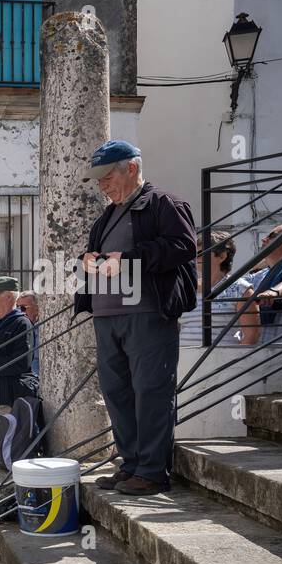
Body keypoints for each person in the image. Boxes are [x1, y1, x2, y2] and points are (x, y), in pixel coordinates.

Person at [79, 140, 197, 496]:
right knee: (117, 392)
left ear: (132, 168)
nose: (102, 184)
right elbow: (107, 256)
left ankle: (151, 470)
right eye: (98, 179)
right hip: (107, 315)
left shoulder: (162, 203)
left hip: (147, 313)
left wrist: (130, 258)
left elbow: (184, 246)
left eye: (108, 175)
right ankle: (131, 464)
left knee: (151, 391)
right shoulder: (106, 215)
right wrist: (89, 260)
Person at [0, 277, 37, 499]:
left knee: (0, 460)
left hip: (4, 400)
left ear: (9, 297)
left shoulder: (21, 323)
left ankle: (1, 511)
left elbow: (22, 362)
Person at [16, 292, 41, 376]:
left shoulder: (43, 330)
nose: (19, 311)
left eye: (23, 308)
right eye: (17, 307)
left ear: (37, 309)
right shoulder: (17, 328)